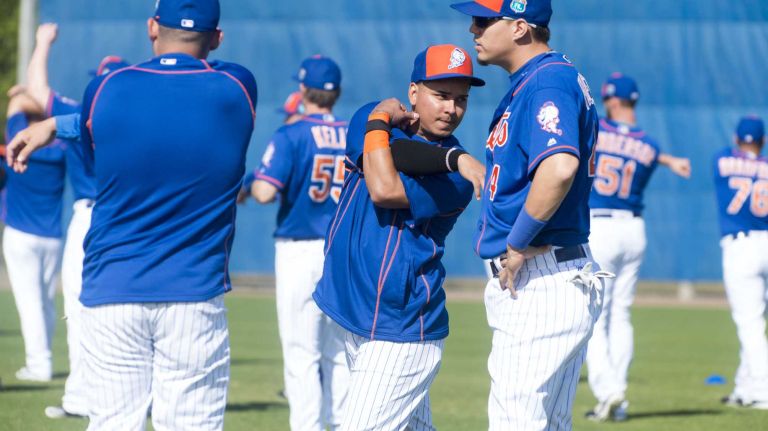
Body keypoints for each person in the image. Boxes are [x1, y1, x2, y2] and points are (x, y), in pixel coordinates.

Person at [6, 0, 258, 428]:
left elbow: (86, 126)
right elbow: (185, 92)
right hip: (193, 293)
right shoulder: (237, 88)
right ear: (216, 38)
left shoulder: (108, 88)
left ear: (151, 27)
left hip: (112, 289)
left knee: (113, 423)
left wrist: (51, 124)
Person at [313, 43, 486, 431]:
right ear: (414, 92)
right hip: (359, 316)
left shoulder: (460, 181)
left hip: (403, 327)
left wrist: (454, 159)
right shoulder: (370, 116)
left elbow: (384, 188)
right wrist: (380, 120)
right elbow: (395, 151)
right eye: (440, 95)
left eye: (461, 99)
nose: (451, 109)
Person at [451, 1, 607, 429]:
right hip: (554, 271)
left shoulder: (545, 82)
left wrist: (517, 243)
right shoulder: (538, 80)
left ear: (520, 28)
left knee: (514, 421)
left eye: (483, 20)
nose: (473, 28)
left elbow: (559, 167)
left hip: (541, 273)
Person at [21, 22, 130, 419]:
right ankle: (119, 395)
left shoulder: (82, 111)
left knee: (82, 310)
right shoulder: (138, 114)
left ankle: (85, 397)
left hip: (90, 218)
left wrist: (41, 44)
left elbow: (36, 91)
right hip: (132, 220)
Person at [240, 56, 349, 431]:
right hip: (341, 250)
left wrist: (251, 186)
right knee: (339, 352)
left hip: (301, 250)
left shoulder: (292, 133)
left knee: (302, 352)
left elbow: (267, 192)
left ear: (303, 90)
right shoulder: (354, 133)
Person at [583, 73, 691, 422]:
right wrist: (670, 160)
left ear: (613, 101)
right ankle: (619, 396)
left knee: (594, 317)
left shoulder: (598, 128)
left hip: (600, 227)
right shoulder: (651, 145)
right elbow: (645, 151)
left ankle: (609, 393)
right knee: (622, 313)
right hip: (634, 229)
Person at [2, 87, 66, 384]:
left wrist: (24, 92)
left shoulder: (19, 134)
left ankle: (39, 364)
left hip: (20, 234)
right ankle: (44, 358)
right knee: (45, 301)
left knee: (29, 303)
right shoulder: (61, 145)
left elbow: (16, 102)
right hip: (52, 236)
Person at [713, 116, 768, 410]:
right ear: (763, 140)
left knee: (749, 323)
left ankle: (762, 390)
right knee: (756, 321)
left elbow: (732, 156)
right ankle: (745, 387)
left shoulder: (722, 160)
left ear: (737, 139)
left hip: (742, 245)